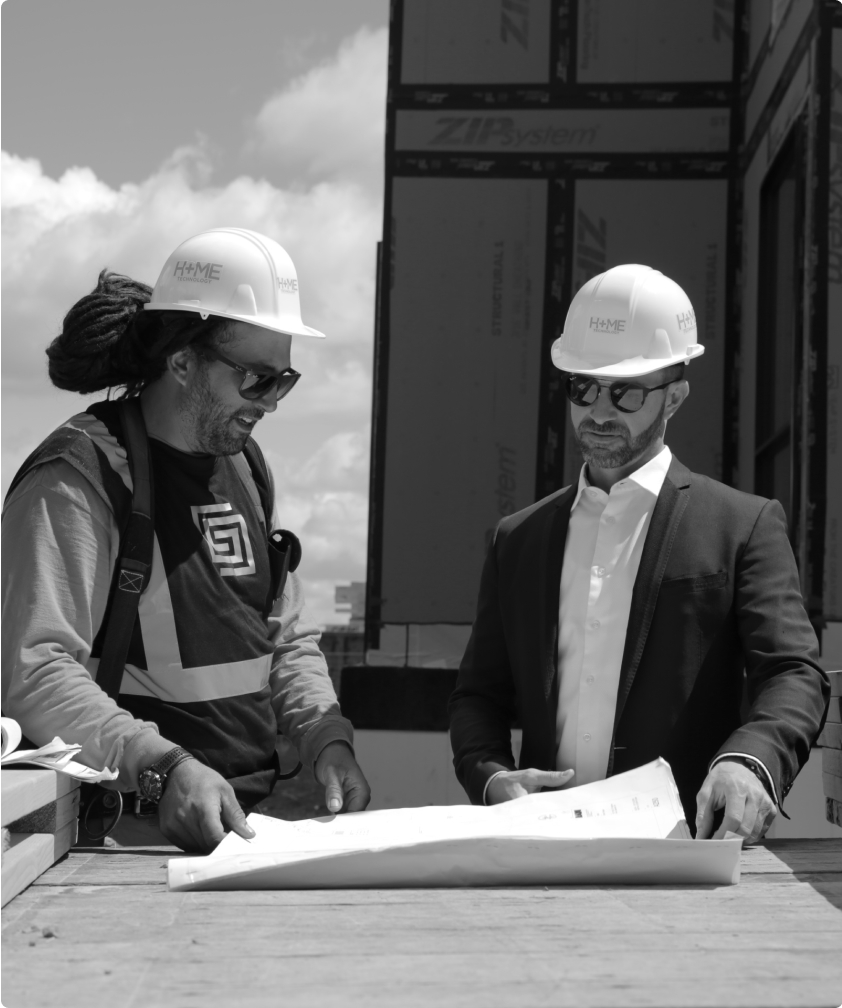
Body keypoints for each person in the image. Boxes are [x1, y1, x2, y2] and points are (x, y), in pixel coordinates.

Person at [2, 227, 370, 852]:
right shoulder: (80, 478)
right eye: (256, 379)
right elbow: (36, 672)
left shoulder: (248, 469)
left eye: (285, 380)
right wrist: (163, 766)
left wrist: (325, 735)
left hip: (246, 832)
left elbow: (284, 635)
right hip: (116, 843)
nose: (272, 403)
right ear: (181, 361)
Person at [449, 263, 829, 842]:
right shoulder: (517, 540)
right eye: (583, 388)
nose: (599, 412)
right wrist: (493, 778)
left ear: (674, 397)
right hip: (544, 849)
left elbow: (793, 672)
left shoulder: (742, 525)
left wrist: (750, 761)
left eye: (625, 392)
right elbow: (479, 695)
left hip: (685, 848)